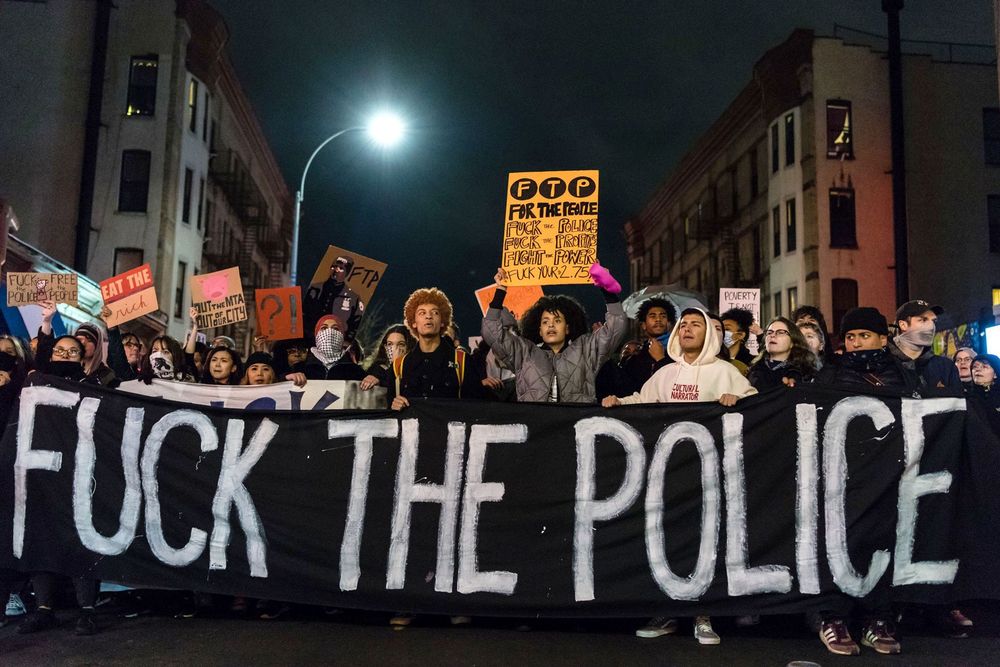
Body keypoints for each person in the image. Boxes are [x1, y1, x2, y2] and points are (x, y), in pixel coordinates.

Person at [603, 308, 755, 645]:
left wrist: (738, 400)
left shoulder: (726, 373)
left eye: (696, 324)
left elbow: (758, 407)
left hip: (709, 477)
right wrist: (618, 403)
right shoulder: (665, 374)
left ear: (710, 335)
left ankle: (703, 614)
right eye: (683, 324)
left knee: (705, 543)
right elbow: (642, 402)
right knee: (668, 541)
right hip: (668, 477)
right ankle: (668, 611)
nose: (687, 329)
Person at [814, 306, 918, 655]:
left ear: (882, 338)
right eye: (851, 337)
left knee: (883, 544)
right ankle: (834, 618)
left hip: (890, 477)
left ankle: (878, 619)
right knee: (839, 544)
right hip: (841, 478)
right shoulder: (831, 373)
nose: (857, 343)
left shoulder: (902, 375)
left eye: (864, 336)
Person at [16, 335, 102, 635]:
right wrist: (47, 324)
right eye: (59, 350)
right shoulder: (33, 384)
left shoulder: (94, 386)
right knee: (42, 538)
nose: (65, 354)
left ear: (82, 357)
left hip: (80, 474)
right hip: (42, 474)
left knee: (82, 540)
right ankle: (44, 608)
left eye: (72, 351)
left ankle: (87, 609)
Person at [481, 266, 627, 403]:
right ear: (539, 330)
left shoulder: (585, 350)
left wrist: (605, 287)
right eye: (545, 322)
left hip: (574, 427)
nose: (551, 325)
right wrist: (501, 289)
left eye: (557, 320)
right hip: (536, 428)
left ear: (568, 328)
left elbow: (616, 328)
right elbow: (491, 331)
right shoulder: (524, 353)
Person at [390, 287, 484, 411]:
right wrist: (393, 406)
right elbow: (388, 412)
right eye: (422, 313)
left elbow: (476, 407)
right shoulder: (399, 366)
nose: (428, 316)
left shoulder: (462, 361)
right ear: (413, 322)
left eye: (435, 312)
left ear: (442, 322)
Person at [888, 300, 961, 394]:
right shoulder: (884, 364)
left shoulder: (945, 367)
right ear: (903, 325)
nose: (931, 327)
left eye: (933, 321)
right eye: (923, 320)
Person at [617, 297, 677, 395]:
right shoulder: (638, 354)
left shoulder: (678, 349)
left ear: (669, 323)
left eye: (663, 316)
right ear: (644, 325)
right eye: (653, 316)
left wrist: (660, 360)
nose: (658, 319)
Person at [303, 254, 364, 341]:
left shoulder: (353, 298)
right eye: (334, 266)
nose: (336, 270)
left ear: (347, 273)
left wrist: (346, 341)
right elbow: (303, 312)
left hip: (334, 342)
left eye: (341, 268)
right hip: (309, 338)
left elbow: (355, 325)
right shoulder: (314, 288)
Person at [747, 317, 817, 390]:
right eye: (769, 332)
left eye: (780, 332)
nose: (772, 335)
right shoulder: (754, 369)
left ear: (792, 342)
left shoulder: (803, 372)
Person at [301, 315, 366, 381]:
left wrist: (371, 380)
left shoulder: (354, 370)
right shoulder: (302, 367)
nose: (330, 332)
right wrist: (290, 379)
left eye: (336, 329)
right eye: (324, 328)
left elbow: (368, 386)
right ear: (316, 336)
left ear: (342, 337)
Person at [360, 324, 413, 391]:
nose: (394, 349)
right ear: (385, 347)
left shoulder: (417, 370)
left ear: (409, 347)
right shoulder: (378, 369)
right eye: (390, 344)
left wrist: (396, 363)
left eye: (401, 344)